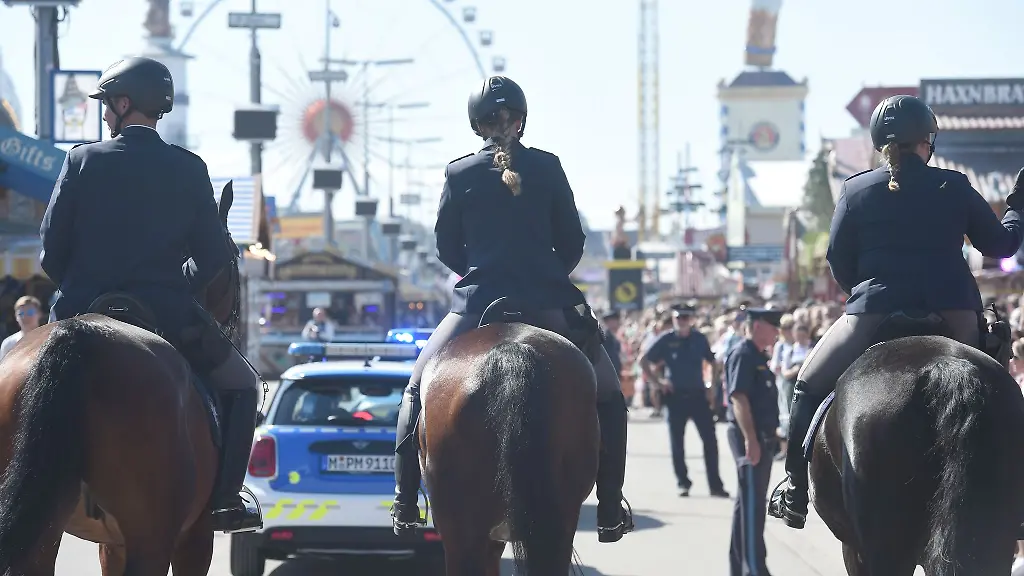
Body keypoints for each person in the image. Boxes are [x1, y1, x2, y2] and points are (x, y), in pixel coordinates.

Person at [390, 75, 633, 543]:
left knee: (416, 389)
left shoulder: (459, 174)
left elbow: (446, 247)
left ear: (478, 126)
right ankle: (608, 506)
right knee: (607, 394)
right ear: (521, 121)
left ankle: (404, 503)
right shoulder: (548, 166)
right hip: (550, 305)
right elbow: (573, 240)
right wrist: (548, 275)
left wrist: (480, 274)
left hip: (478, 304)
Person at [768, 94, 1024, 530]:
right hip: (953, 314)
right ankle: (1018, 500)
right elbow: (1002, 246)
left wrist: (865, 294)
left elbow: (838, 259)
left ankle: (795, 489)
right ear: (927, 140)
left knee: (808, 385)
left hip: (873, 311)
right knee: (1001, 388)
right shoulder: (955, 185)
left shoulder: (855, 189)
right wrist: (1018, 205)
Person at [39, 56, 262, 533]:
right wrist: (177, 286)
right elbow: (212, 258)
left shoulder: (81, 160)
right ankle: (225, 499)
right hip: (166, 310)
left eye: (106, 105)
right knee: (245, 387)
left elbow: (50, 253)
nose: (103, 115)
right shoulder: (188, 167)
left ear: (123, 104)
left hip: (80, 308)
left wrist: (80, 289)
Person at [640, 303, 729, 498]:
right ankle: (683, 482)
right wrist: (658, 382)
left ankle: (715, 484)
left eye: (686, 318)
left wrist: (711, 386)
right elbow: (643, 360)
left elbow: (712, 362)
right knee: (677, 443)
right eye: (679, 318)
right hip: (675, 396)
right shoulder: (666, 339)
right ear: (673, 319)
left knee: (710, 441)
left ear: (691, 320)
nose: (682, 321)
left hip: (697, 395)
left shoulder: (699, 338)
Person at [725, 308, 781, 576]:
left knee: (748, 504)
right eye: (773, 326)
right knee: (752, 507)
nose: (777, 332)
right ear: (757, 326)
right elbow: (739, 399)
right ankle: (755, 569)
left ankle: (740, 567)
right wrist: (751, 440)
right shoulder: (743, 354)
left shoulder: (758, 356)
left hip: (762, 437)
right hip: (750, 437)